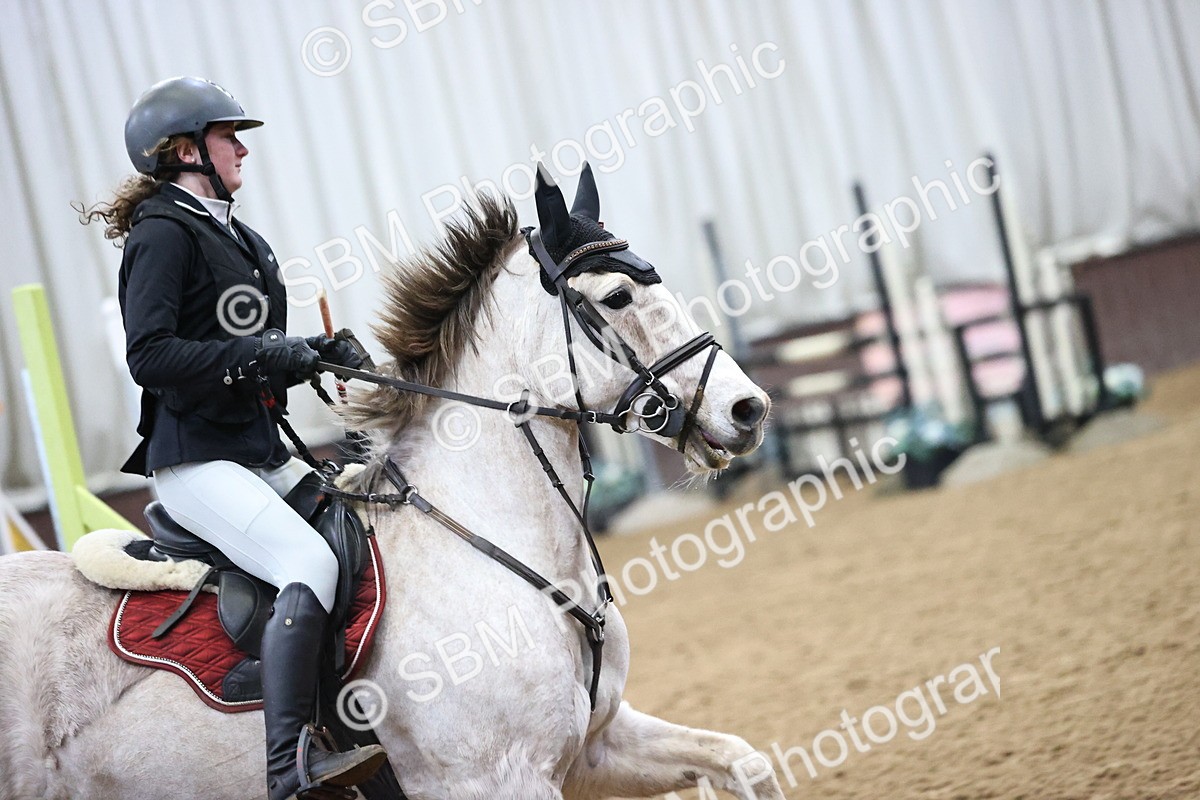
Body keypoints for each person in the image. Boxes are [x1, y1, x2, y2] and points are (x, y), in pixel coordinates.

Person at [81, 76, 386, 799]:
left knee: (367, 531)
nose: (243, 148)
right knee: (309, 564)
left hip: (259, 453)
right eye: (229, 137)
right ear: (187, 151)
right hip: (196, 461)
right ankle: (289, 768)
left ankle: (350, 713)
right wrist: (262, 355)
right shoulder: (161, 232)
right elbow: (150, 356)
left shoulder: (242, 238)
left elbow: (253, 347)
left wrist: (315, 349)